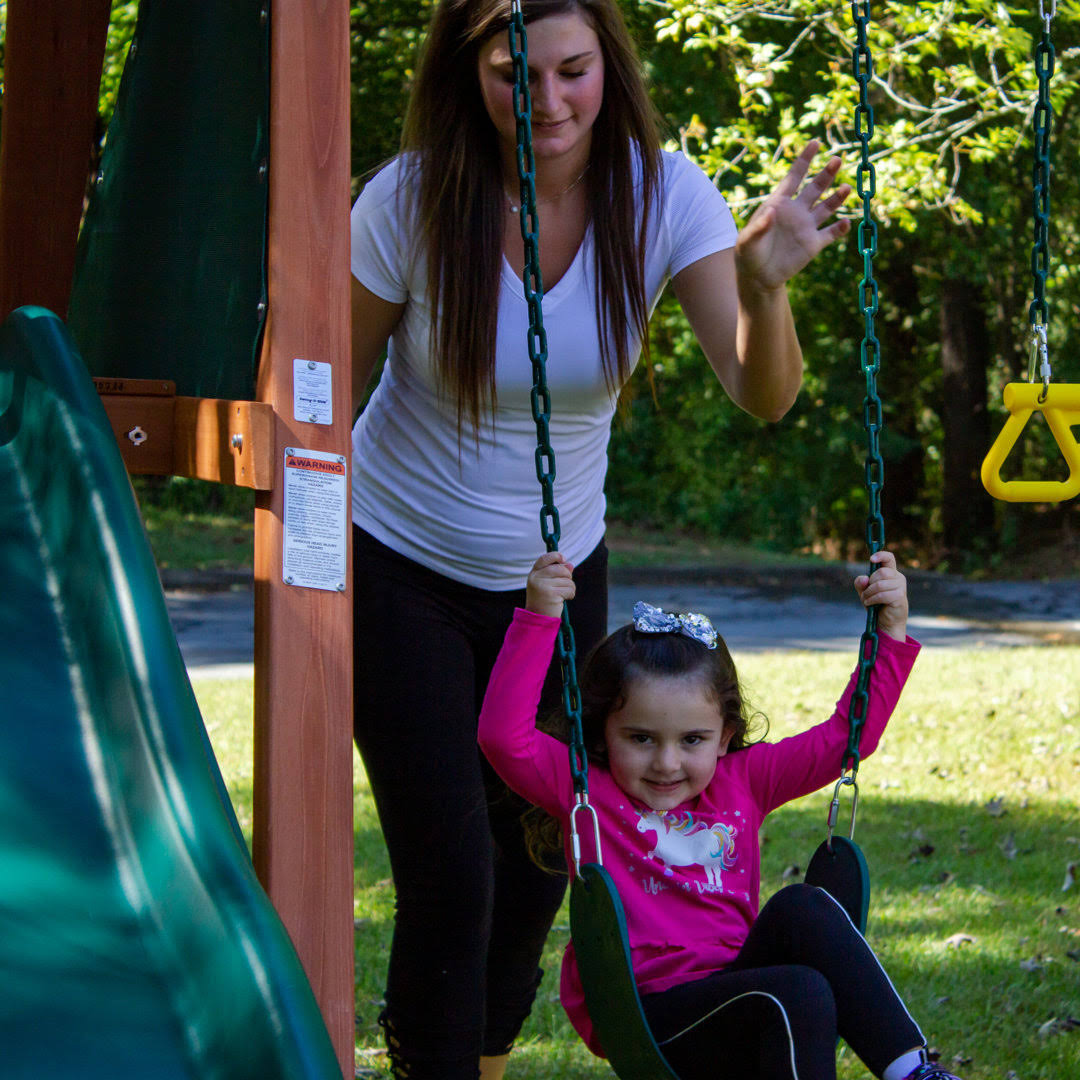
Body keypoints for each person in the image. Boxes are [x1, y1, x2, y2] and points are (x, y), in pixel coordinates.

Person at [349, 1, 852, 1076]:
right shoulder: (411, 197)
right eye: (511, 75)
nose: (547, 103)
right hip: (399, 563)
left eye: (571, 70)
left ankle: (477, 1061)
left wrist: (765, 288)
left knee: (543, 864)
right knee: (450, 871)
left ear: (608, 66)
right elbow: (321, 389)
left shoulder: (663, 195)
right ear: (467, 71)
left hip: (559, 576)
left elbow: (760, 392)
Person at [478, 550, 962, 1080]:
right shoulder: (586, 792)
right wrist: (539, 617)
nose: (666, 762)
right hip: (648, 1012)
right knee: (796, 991)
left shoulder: (745, 780)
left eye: (692, 740)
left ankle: (914, 1071)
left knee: (805, 908)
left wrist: (889, 633)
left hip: (739, 986)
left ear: (725, 736)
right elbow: (503, 738)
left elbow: (845, 738)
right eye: (640, 738)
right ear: (602, 735)